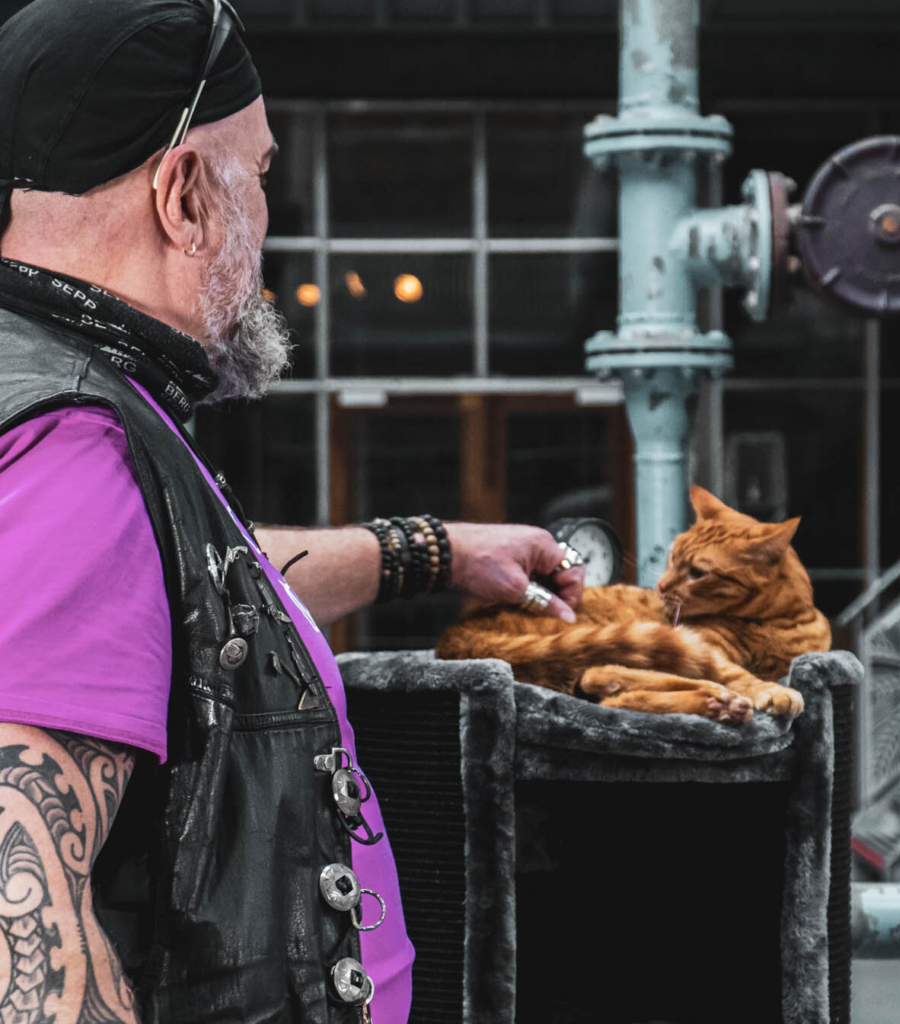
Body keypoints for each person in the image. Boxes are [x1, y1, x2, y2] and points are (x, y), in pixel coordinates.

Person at [0, 1, 584, 1021]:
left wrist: (429, 551)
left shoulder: (61, 412)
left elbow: (174, 593)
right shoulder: (74, 447)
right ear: (182, 196)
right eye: (261, 175)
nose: (272, 221)